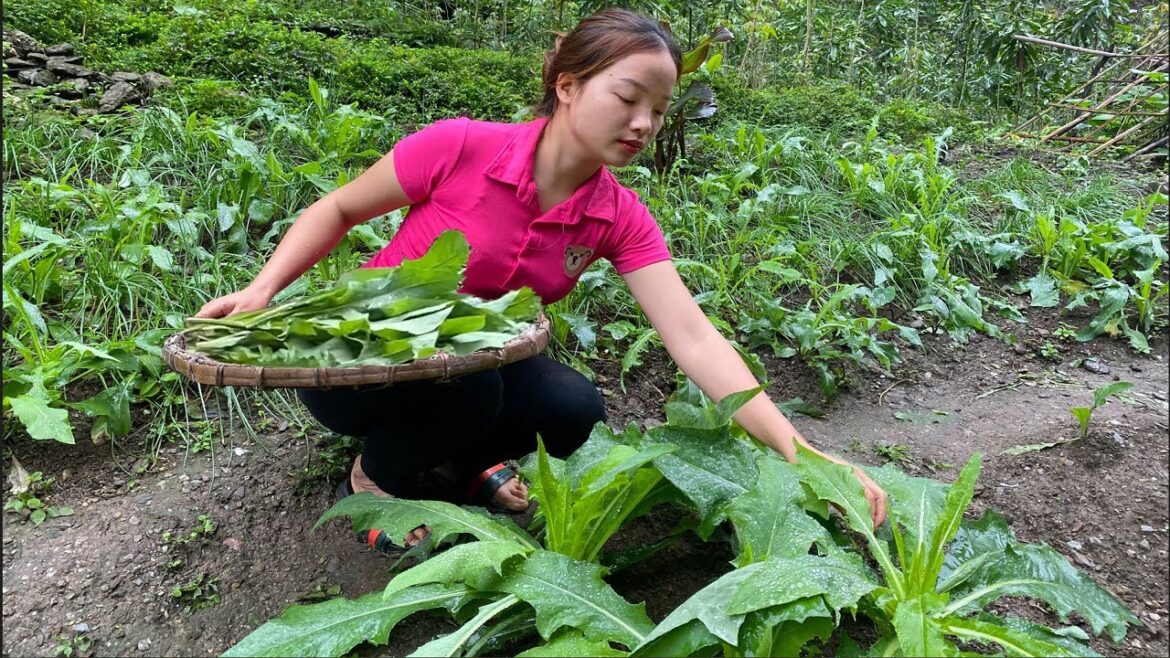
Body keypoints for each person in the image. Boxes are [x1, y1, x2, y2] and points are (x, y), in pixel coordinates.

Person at [194, 8, 888, 555]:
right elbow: (338, 208)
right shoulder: (461, 146)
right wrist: (264, 291)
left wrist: (802, 452)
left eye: (660, 108)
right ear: (567, 85)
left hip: (468, 368)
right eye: (627, 97)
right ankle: (380, 474)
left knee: (572, 409)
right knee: (474, 389)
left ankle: (465, 463)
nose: (644, 122)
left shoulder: (619, 216)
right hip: (359, 364)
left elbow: (693, 337)